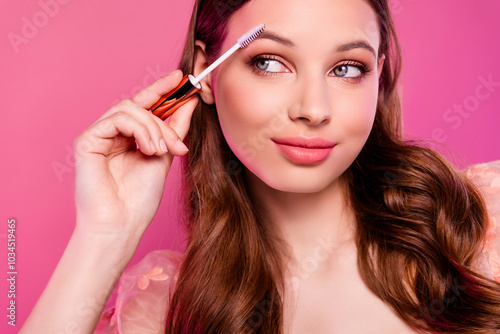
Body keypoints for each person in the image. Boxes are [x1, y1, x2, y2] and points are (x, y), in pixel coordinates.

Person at [21, 0, 500, 333]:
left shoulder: (484, 221)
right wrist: (105, 237)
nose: (314, 109)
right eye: (270, 62)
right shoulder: (163, 304)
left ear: (379, 75)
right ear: (205, 74)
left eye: (347, 68)